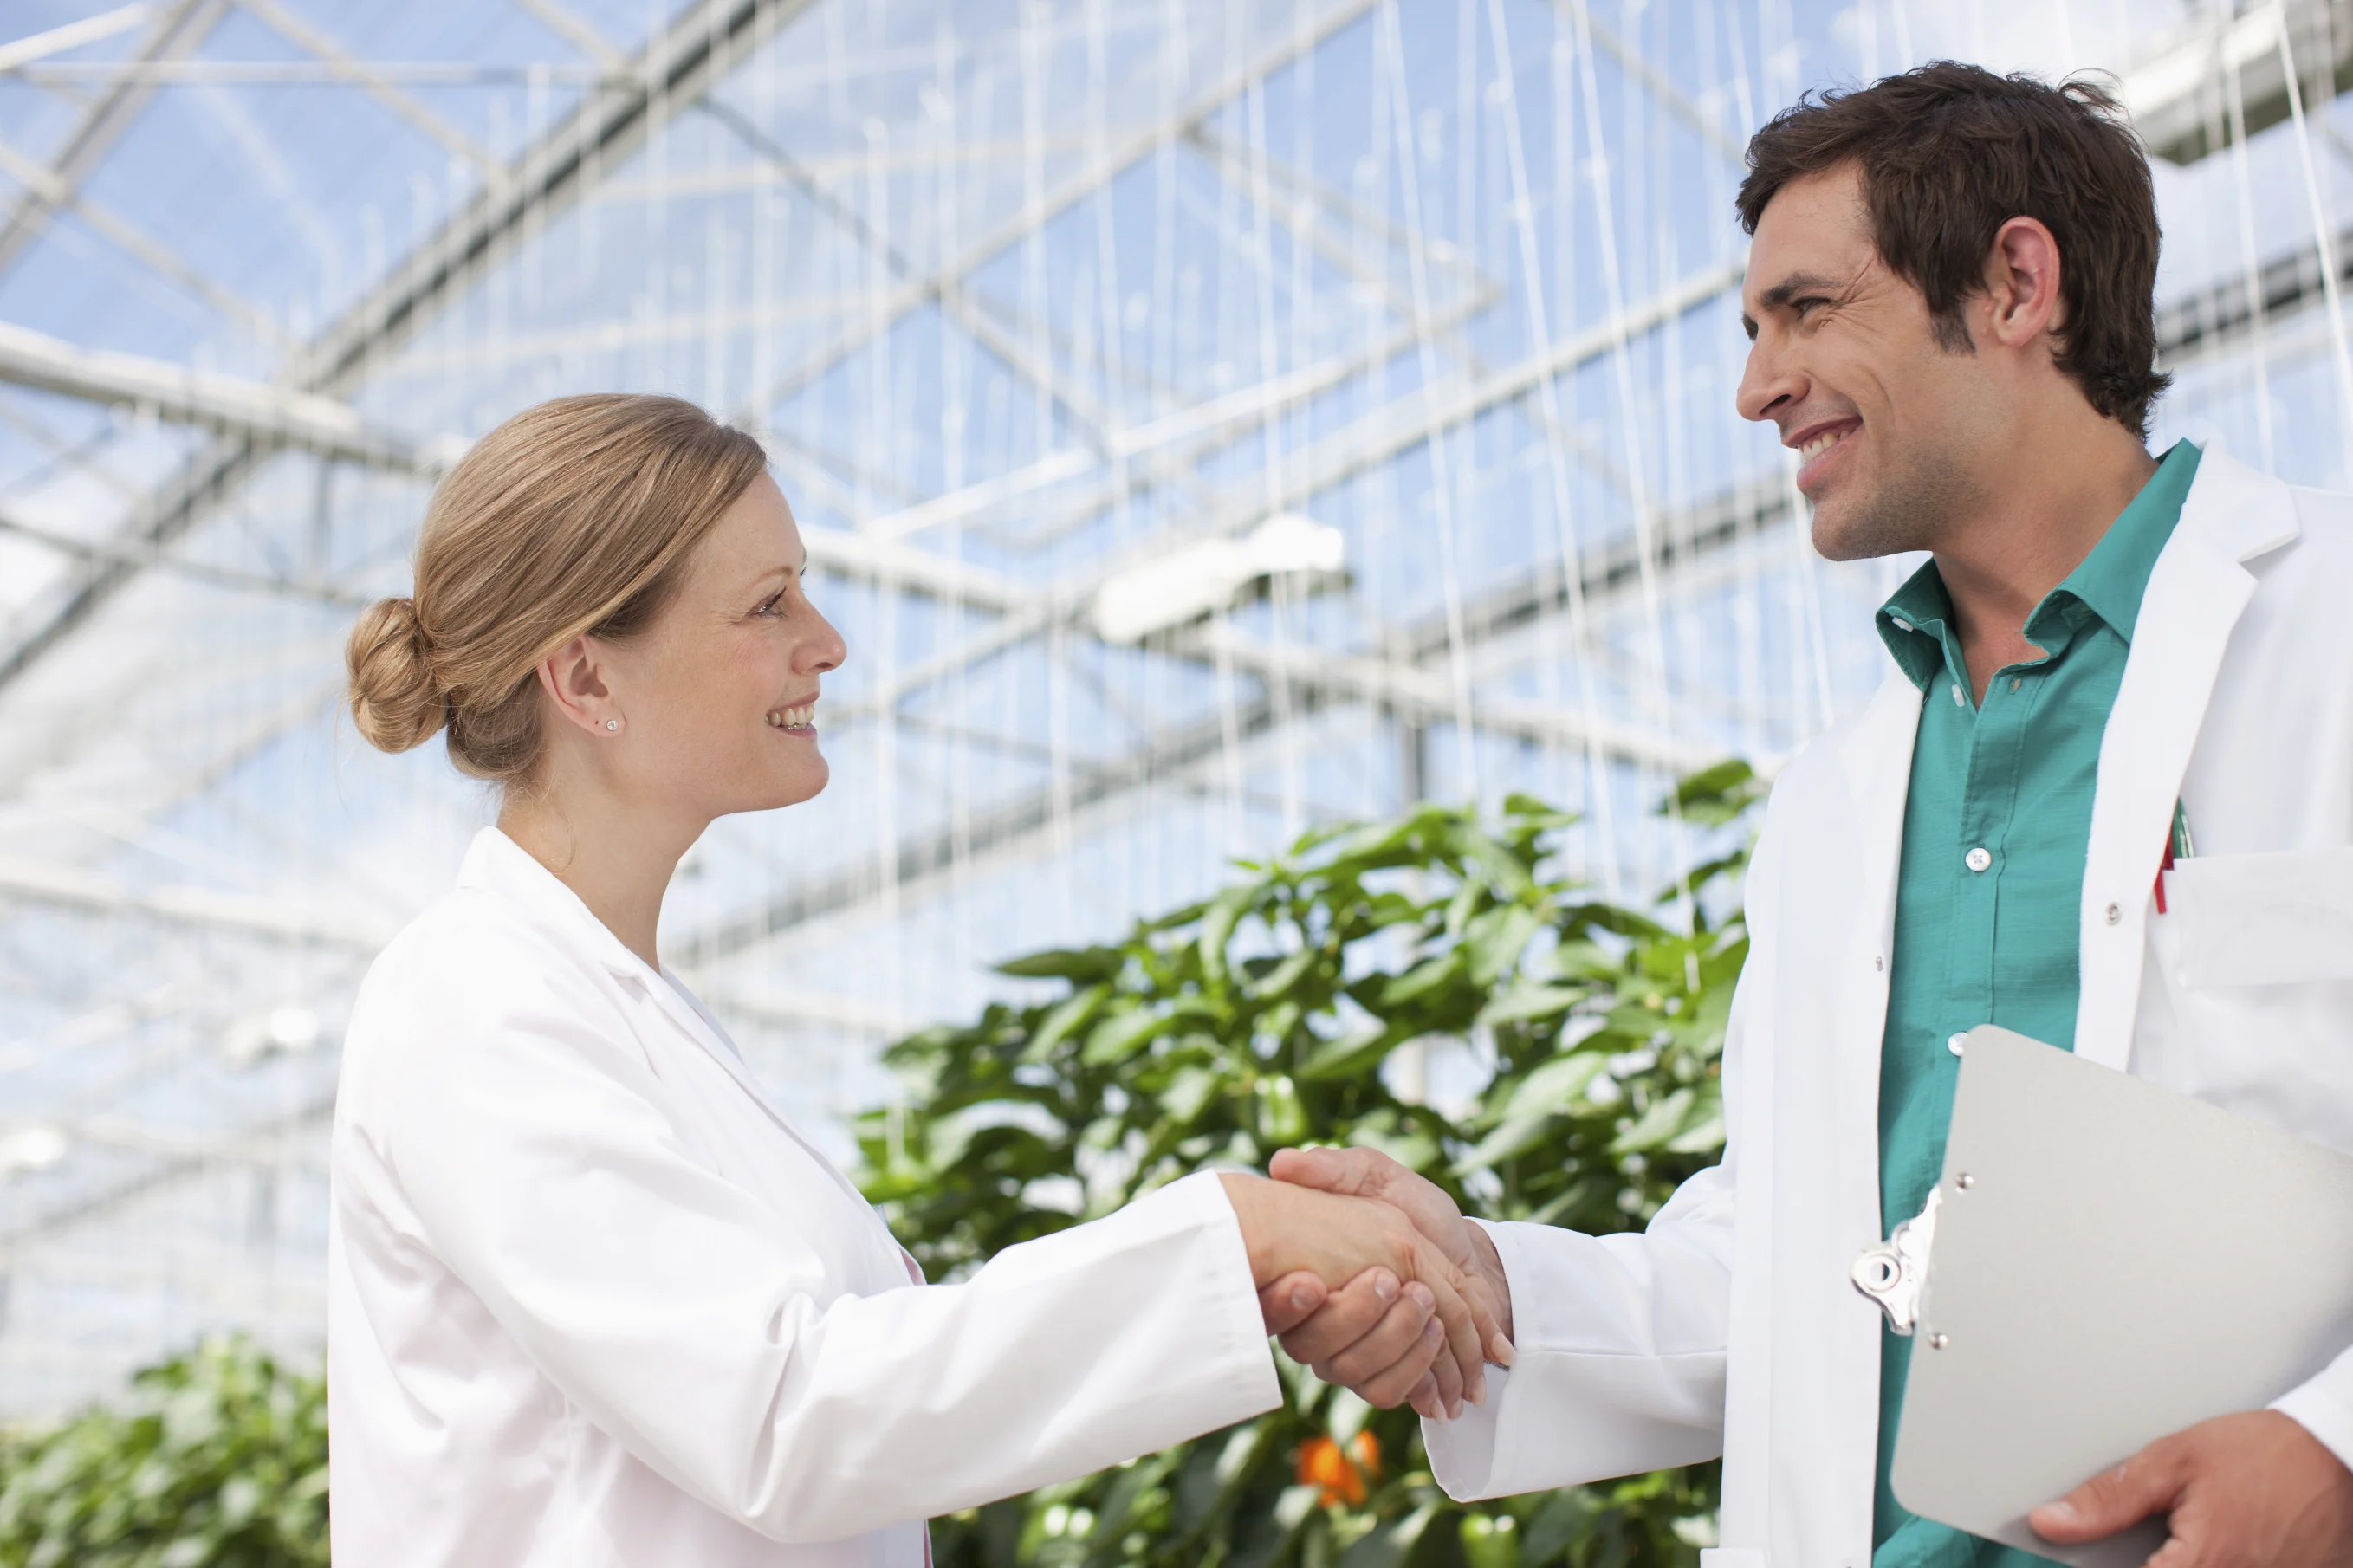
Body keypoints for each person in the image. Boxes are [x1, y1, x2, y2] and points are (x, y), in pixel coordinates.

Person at [1268, 63, 2353, 1568]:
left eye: (1809, 309)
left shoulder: (2332, 629)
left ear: (2017, 283)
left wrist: (2334, 1445)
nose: (1756, 384)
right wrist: (1490, 1289)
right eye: (1752, 327)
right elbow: (1798, 1263)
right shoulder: (1834, 802)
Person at [327, 393, 1511, 1567]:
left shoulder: (621, 1008)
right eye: (768, 602)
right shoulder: (469, 998)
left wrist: (1233, 1263)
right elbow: (783, 1415)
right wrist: (1231, 1235)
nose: (827, 640)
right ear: (586, 680)